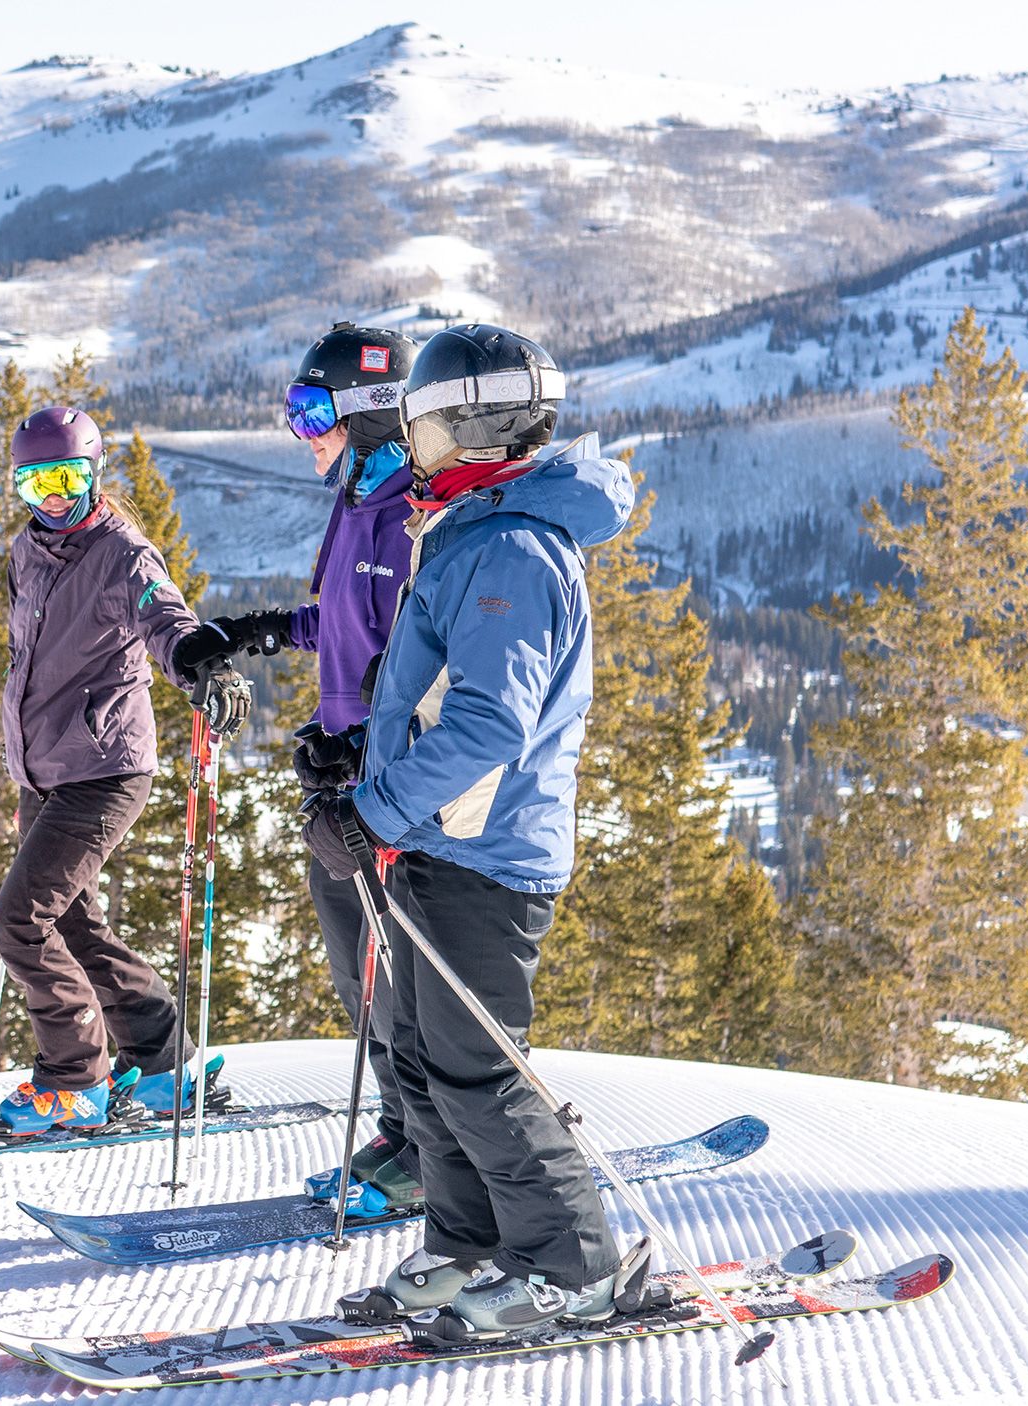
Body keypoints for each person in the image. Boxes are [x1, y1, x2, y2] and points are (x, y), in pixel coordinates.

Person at [301, 324, 635, 1340]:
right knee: (417, 1057)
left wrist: (373, 809)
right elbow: (433, 696)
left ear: (472, 423)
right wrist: (359, 764)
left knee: (479, 1067)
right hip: (435, 843)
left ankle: (574, 1263)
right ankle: (467, 1241)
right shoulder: (467, 526)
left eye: (428, 418)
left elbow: (493, 721)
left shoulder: (509, 547)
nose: (413, 435)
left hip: (486, 856)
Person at [171, 321, 423, 1204]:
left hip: (393, 789)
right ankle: (402, 1131)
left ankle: (429, 1152)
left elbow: (420, 658)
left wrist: (360, 740)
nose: (299, 430)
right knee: (356, 970)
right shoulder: (355, 504)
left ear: (368, 414)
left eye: (311, 409)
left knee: (398, 978)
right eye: (293, 409)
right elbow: (343, 625)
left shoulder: (412, 516)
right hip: (341, 786)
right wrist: (258, 631)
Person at [0, 404, 251, 1142]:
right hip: (46, 770)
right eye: (37, 485)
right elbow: (27, 664)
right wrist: (25, 765)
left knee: (20, 920)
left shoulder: (122, 552)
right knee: (69, 919)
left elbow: (165, 620)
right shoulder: (27, 552)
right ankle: (164, 1061)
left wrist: (196, 661)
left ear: (95, 474)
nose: (55, 498)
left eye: (67, 478)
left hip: (104, 767)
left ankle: (75, 1081)